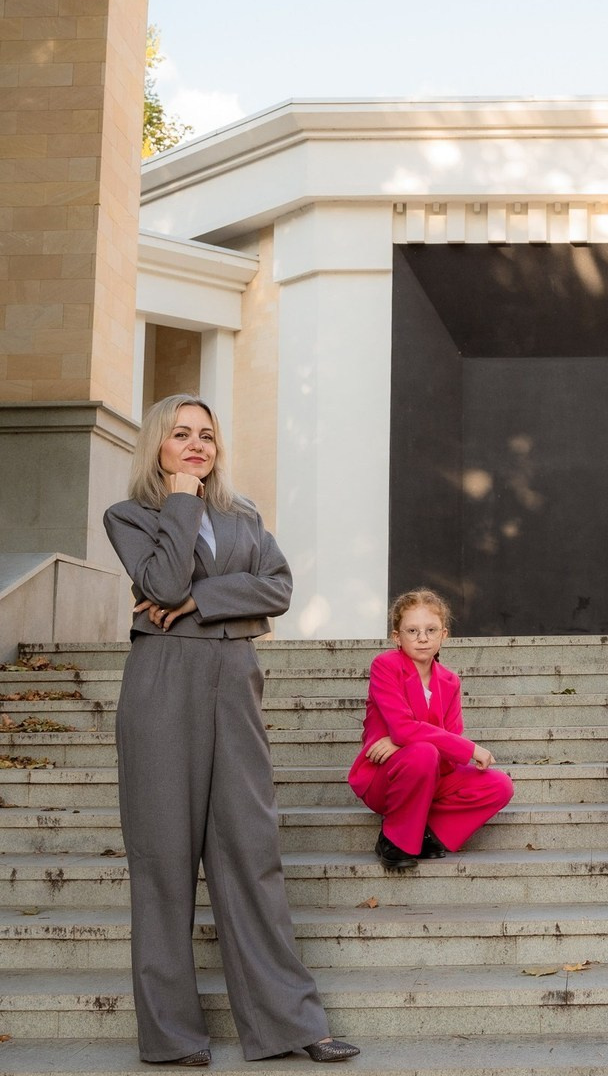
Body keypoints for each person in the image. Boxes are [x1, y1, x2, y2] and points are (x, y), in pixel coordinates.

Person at [104, 395, 358, 1066]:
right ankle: (171, 1037)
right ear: (157, 445)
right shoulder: (130, 515)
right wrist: (182, 503)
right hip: (161, 689)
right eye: (181, 435)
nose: (197, 445)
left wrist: (199, 601)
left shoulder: (243, 516)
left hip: (235, 689)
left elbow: (276, 587)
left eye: (207, 436)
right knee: (162, 863)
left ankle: (289, 1025)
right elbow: (158, 579)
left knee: (252, 852)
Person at [348, 588, 513, 870]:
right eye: (412, 630)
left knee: (499, 785)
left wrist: (404, 739)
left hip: (432, 772)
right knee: (422, 752)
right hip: (384, 775)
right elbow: (403, 728)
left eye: (430, 630)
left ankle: (426, 835)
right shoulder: (386, 666)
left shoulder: (449, 681)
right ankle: (394, 839)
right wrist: (468, 748)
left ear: (443, 635)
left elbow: (446, 748)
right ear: (397, 637)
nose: (422, 638)